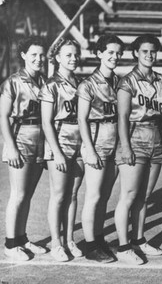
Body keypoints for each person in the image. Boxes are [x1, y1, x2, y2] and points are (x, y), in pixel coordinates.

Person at [114, 34, 162, 265]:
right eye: (144, 51)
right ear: (136, 53)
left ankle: (138, 238)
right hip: (134, 138)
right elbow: (122, 117)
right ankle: (123, 246)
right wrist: (125, 147)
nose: (149, 55)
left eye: (153, 51)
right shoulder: (127, 81)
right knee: (129, 196)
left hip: (155, 137)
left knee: (144, 196)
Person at [0, 36, 49, 260]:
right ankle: (10, 244)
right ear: (23, 56)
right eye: (33, 55)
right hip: (20, 138)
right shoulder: (13, 81)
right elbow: (3, 116)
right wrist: (10, 147)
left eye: (41, 55)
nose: (38, 59)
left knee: (28, 195)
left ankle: (22, 238)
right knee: (18, 195)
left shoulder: (44, 80)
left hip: (40, 139)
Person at [77, 34, 124, 263]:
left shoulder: (119, 81)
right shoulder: (88, 84)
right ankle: (90, 244)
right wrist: (90, 149)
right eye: (110, 52)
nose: (114, 57)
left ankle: (98, 237)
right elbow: (82, 119)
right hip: (97, 141)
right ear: (99, 54)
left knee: (105, 196)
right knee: (93, 196)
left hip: (114, 142)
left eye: (117, 53)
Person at [40, 38, 84, 262]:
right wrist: (56, 152)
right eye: (68, 55)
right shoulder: (51, 84)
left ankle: (69, 239)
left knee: (73, 194)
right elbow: (46, 122)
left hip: (79, 142)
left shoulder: (80, 82)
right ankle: (56, 242)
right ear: (57, 58)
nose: (73, 58)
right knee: (58, 195)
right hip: (60, 141)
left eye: (75, 54)